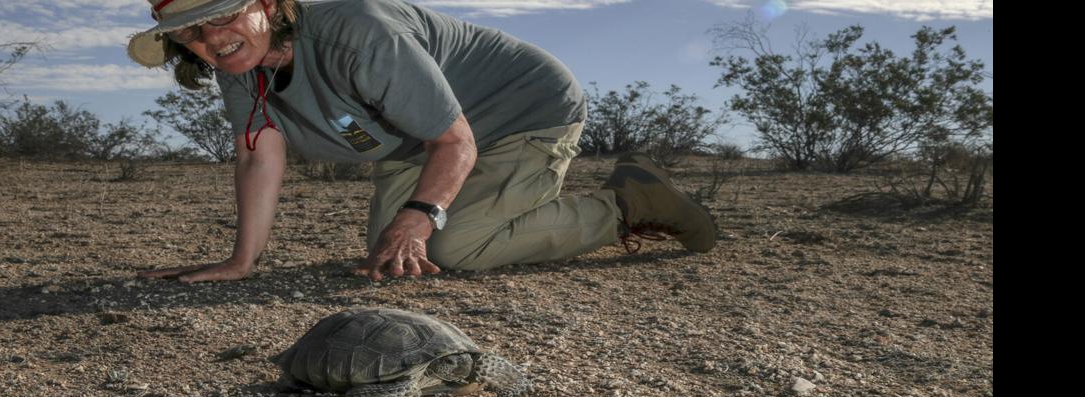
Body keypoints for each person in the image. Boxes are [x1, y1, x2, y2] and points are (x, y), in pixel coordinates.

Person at [128, 0, 717, 283]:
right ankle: (501, 205)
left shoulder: (359, 34)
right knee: (396, 254)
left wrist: (421, 214)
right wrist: (241, 261)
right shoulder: (240, 67)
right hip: (418, 143)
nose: (212, 38)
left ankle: (626, 205)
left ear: (269, 6)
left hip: (516, 109)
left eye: (223, 15)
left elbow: (456, 141)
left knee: (454, 246)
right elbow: (260, 152)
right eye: (191, 34)